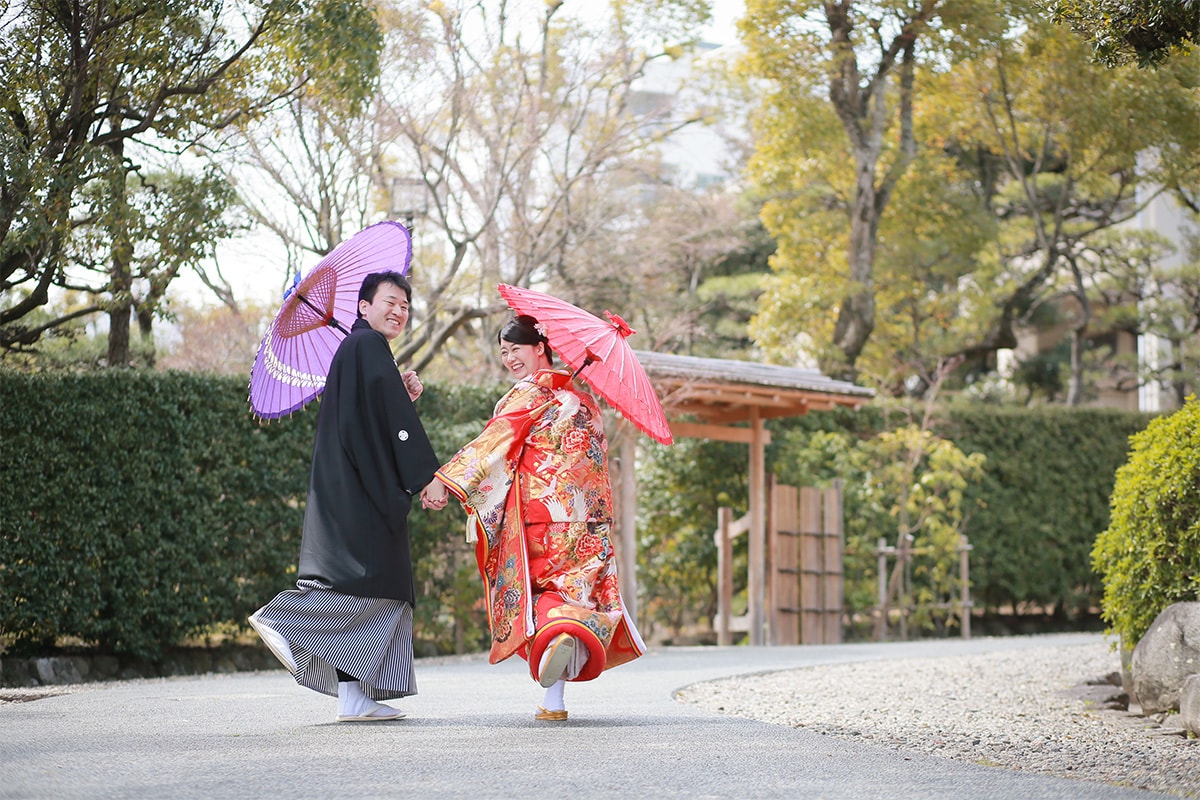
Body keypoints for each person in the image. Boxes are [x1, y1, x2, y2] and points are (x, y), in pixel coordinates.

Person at [420, 314, 644, 721]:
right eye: (504, 352)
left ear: (540, 347)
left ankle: (557, 647)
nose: (509, 359)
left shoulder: (530, 392)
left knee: (540, 594)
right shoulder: (585, 400)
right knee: (573, 594)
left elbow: (496, 438)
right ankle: (553, 700)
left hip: (542, 517)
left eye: (516, 349)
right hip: (588, 519)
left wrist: (445, 480)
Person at [249, 271, 444, 723]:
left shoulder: (357, 349)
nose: (399, 311)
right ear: (363, 306)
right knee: (371, 582)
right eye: (390, 302)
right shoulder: (367, 346)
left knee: (372, 585)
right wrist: (425, 475)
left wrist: (402, 393)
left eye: (405, 306)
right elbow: (389, 420)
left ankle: (354, 697)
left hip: (351, 483)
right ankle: (288, 622)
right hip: (362, 487)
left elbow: (376, 414)